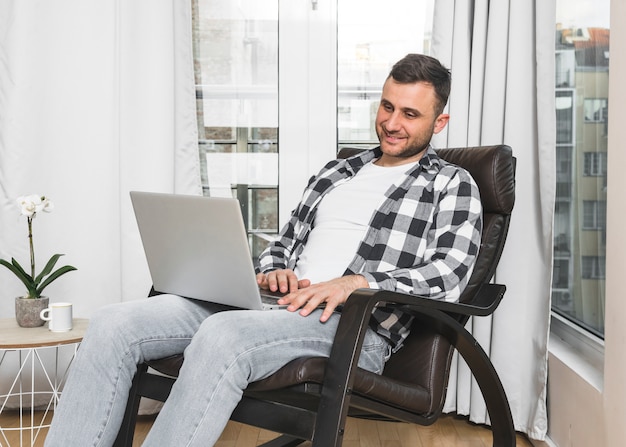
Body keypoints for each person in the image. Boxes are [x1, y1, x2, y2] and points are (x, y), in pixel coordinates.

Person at [45, 53, 482, 447]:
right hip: (269, 306)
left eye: (410, 114)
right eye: (387, 107)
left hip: (351, 327)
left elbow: (450, 275)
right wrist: (276, 270)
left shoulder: (451, 183)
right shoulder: (338, 172)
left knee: (224, 335)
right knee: (112, 324)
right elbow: (284, 243)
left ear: (438, 123)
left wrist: (356, 283)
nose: (392, 122)